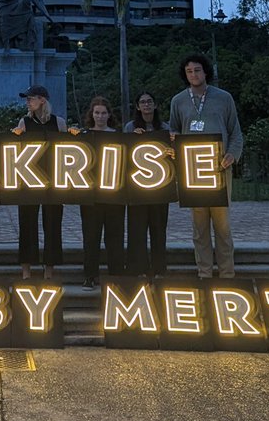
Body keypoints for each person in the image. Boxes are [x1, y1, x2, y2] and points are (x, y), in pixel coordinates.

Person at [168, 53, 243, 279]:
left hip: (219, 169)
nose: (194, 74)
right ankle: (205, 273)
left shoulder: (224, 98)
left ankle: (227, 274)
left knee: (222, 226)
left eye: (197, 70)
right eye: (189, 71)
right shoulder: (178, 100)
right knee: (199, 227)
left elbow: (235, 132)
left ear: (206, 72)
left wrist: (232, 154)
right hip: (193, 171)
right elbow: (174, 131)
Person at [13, 85, 67, 280]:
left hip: (53, 180)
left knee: (53, 224)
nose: (28, 102)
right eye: (27, 99)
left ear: (42, 100)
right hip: (29, 180)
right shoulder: (24, 122)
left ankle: (49, 270)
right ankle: (26, 270)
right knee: (27, 223)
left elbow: (66, 149)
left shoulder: (58, 122)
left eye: (31, 98)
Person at [78, 96, 125, 289]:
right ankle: (90, 275)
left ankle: (116, 275)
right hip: (90, 196)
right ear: (92, 114)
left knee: (115, 236)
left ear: (109, 115)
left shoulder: (119, 135)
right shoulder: (83, 136)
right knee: (91, 237)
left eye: (103, 113)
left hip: (115, 194)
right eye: (96, 112)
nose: (100, 116)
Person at [123, 91, 171, 277]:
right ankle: (138, 268)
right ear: (137, 106)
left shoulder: (165, 128)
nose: (146, 105)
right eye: (142, 102)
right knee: (137, 231)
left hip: (160, 187)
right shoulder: (130, 127)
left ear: (155, 104)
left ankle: (159, 269)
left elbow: (171, 153)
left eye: (149, 101)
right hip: (137, 187)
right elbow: (123, 153)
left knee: (159, 230)